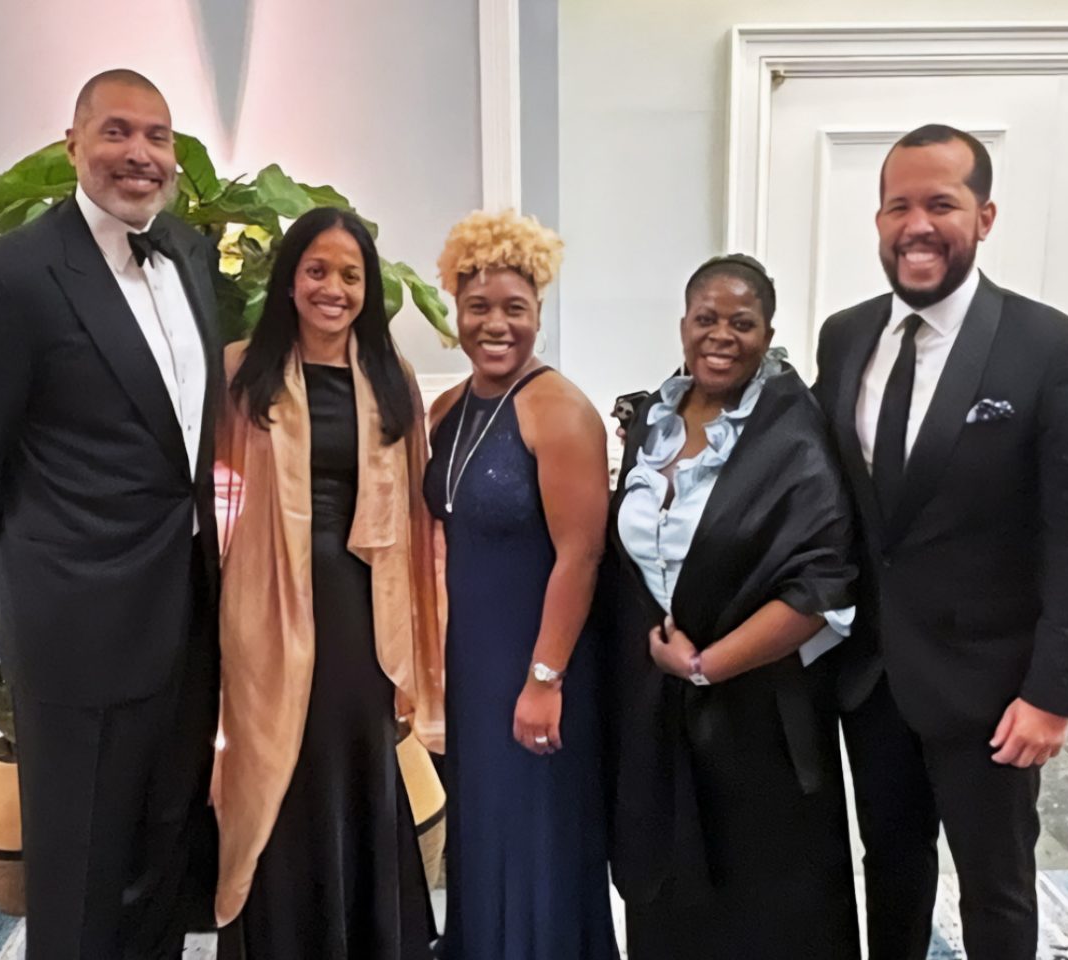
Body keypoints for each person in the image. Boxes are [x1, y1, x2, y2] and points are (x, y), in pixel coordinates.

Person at [0, 69, 221, 958]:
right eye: (117, 131)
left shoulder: (192, 259)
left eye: (158, 137)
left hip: (187, 617)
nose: (140, 154)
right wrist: (27, 584)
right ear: (73, 147)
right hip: (76, 627)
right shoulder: (8, 278)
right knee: (81, 874)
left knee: (164, 855)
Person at [813, 124, 1068, 959]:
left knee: (996, 888)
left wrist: (1055, 692)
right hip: (872, 678)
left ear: (984, 217)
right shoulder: (844, 338)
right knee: (891, 868)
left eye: (940, 204)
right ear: (877, 220)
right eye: (898, 206)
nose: (917, 224)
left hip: (993, 689)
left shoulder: (1051, 350)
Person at [605, 253, 860, 959]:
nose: (721, 335)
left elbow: (822, 587)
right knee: (669, 892)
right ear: (683, 325)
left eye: (741, 323)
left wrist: (706, 665)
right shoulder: (651, 421)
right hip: (659, 712)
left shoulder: (793, 435)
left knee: (767, 904)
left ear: (768, 332)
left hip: (760, 715)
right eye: (706, 319)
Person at [211, 206, 444, 960]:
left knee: (356, 761)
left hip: (359, 604)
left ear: (368, 289)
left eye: (351, 274)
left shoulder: (391, 377)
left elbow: (414, 511)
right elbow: (207, 492)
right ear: (289, 281)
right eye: (317, 270)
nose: (333, 288)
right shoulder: (240, 371)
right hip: (264, 601)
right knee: (276, 761)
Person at [423, 209, 618, 960]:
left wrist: (545, 678)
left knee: (536, 833)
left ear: (539, 312)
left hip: (543, 658)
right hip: (476, 658)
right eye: (479, 308)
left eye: (515, 308)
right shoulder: (448, 409)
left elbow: (582, 556)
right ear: (457, 311)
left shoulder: (559, 410)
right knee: (483, 822)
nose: (496, 325)